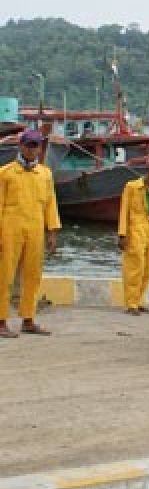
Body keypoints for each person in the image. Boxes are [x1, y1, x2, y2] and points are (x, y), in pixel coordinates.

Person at [0, 129, 61, 337]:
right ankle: (1, 321)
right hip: (10, 227)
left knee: (33, 275)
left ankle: (28, 319)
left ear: (40, 148)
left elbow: (51, 204)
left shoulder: (45, 174)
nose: (32, 149)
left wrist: (52, 231)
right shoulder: (5, 173)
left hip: (36, 228)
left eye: (36, 145)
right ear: (21, 146)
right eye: (29, 145)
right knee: (5, 274)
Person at [117, 158, 149, 315]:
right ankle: (131, 303)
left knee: (148, 267)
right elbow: (124, 211)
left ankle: (139, 300)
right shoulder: (132, 187)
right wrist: (122, 234)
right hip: (136, 230)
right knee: (134, 266)